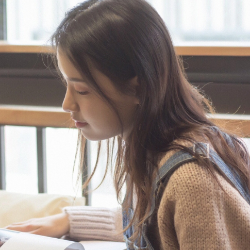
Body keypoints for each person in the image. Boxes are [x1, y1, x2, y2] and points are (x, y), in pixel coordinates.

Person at [5, 0, 250, 249]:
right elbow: (154, 220)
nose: (67, 104)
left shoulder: (192, 180)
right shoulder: (155, 151)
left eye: (82, 89)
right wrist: (69, 220)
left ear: (138, 88)